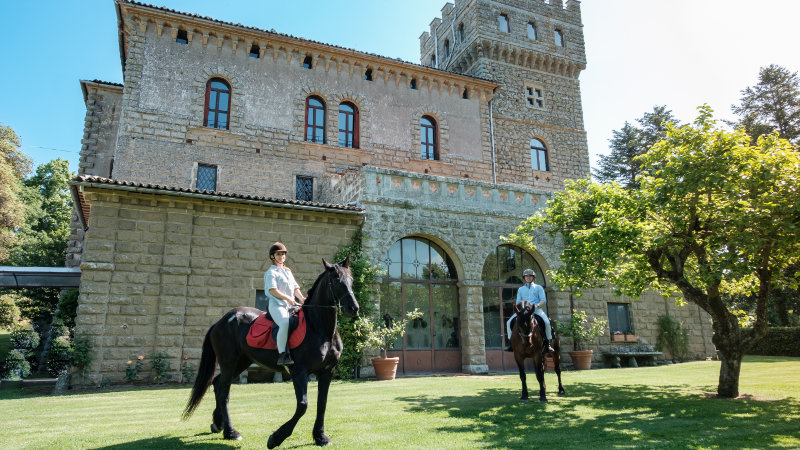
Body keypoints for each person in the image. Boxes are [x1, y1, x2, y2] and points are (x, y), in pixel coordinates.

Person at [264, 242, 306, 366]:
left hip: (291, 305)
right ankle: (282, 355)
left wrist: (302, 298)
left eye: (283, 254)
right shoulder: (271, 272)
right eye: (278, 254)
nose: (281, 256)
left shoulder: (288, 271)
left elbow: (294, 288)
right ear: (273, 256)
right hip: (277, 305)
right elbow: (273, 290)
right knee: (284, 322)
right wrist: (288, 298)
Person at [505, 268, 555, 353]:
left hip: (536, 310)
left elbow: (543, 300)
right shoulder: (521, 289)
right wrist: (521, 308)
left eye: (530, 276)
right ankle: (510, 343)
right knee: (509, 322)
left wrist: (536, 306)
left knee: (546, 322)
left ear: (533, 277)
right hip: (523, 311)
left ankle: (548, 344)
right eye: (526, 276)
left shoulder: (538, 287)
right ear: (524, 278)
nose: (528, 277)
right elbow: (518, 302)